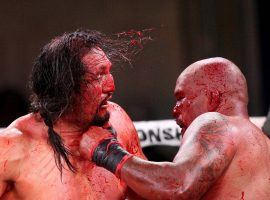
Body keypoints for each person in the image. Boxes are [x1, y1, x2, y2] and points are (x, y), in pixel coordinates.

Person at [80, 57, 270, 199]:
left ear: (213, 97)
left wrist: (108, 151)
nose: (174, 110)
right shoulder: (264, 144)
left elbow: (177, 186)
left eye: (181, 98)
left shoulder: (217, 123)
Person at [0, 29, 145, 199]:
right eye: (99, 75)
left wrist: (116, 157)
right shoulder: (12, 147)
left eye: (108, 72)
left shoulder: (118, 120)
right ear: (67, 88)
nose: (111, 86)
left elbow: (152, 193)